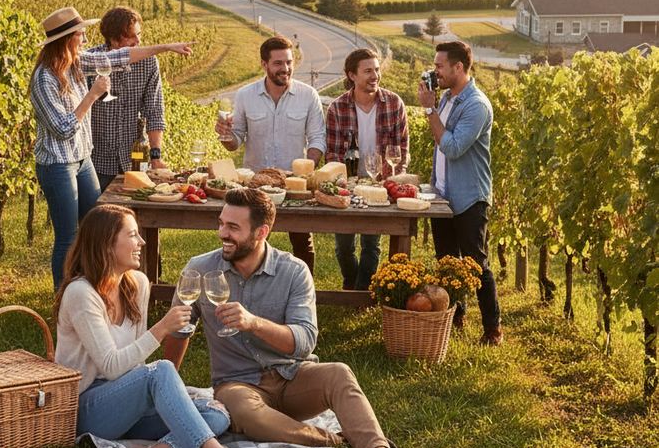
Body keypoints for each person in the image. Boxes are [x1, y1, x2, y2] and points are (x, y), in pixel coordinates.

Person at [164, 188, 417, 448]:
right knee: (243, 410)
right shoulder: (200, 269)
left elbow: (304, 341)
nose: (222, 234)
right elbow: (180, 329)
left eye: (232, 227)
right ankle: (334, 439)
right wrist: (169, 385)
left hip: (292, 377)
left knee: (339, 372)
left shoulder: (293, 271)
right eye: (221, 223)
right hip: (238, 385)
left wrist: (253, 323)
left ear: (261, 232)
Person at [54, 204, 279, 448]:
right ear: (107, 244)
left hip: (128, 402)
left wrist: (160, 395)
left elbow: (135, 362)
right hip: (87, 407)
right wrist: (161, 330)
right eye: (133, 235)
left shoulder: (136, 283)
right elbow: (110, 366)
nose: (141, 242)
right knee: (161, 370)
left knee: (217, 415)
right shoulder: (81, 293)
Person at [29, 6, 192, 289]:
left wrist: (165, 47)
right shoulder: (44, 78)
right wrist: (93, 95)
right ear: (66, 39)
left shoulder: (77, 63)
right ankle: (63, 299)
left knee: (101, 228)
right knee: (68, 236)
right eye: (80, 34)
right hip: (58, 164)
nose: (83, 38)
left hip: (81, 161)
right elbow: (64, 129)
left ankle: (98, 289)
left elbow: (119, 57)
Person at [215, 36, 325, 273]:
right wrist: (225, 135)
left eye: (288, 62)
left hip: (294, 185)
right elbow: (236, 142)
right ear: (264, 64)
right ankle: (248, 286)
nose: (285, 69)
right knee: (250, 241)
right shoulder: (245, 95)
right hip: (255, 185)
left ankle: (304, 293)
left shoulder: (308, 96)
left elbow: (317, 139)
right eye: (278, 63)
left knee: (302, 242)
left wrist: (305, 171)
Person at [417, 40, 503, 345]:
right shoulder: (446, 98)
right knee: (446, 261)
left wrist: (428, 109)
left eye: (440, 66)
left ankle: (493, 329)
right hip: (442, 193)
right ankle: (456, 316)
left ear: (459, 67)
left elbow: (452, 147)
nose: (435, 71)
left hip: (469, 196)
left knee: (475, 264)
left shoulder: (476, 105)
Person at [325, 48, 408, 290]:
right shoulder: (337, 108)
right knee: (343, 247)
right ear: (352, 75)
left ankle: (361, 293)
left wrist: (390, 184)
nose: (375, 76)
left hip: (379, 186)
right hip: (347, 186)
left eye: (377, 70)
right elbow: (332, 156)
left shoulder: (394, 104)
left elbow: (401, 152)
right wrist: (343, 185)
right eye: (368, 71)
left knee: (372, 244)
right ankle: (352, 283)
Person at [88, 6, 167, 192]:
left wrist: (156, 155)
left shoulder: (148, 62)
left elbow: (154, 110)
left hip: (134, 161)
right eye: (131, 37)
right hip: (95, 162)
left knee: (132, 218)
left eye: (139, 34)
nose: (138, 41)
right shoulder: (92, 61)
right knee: (95, 218)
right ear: (113, 40)